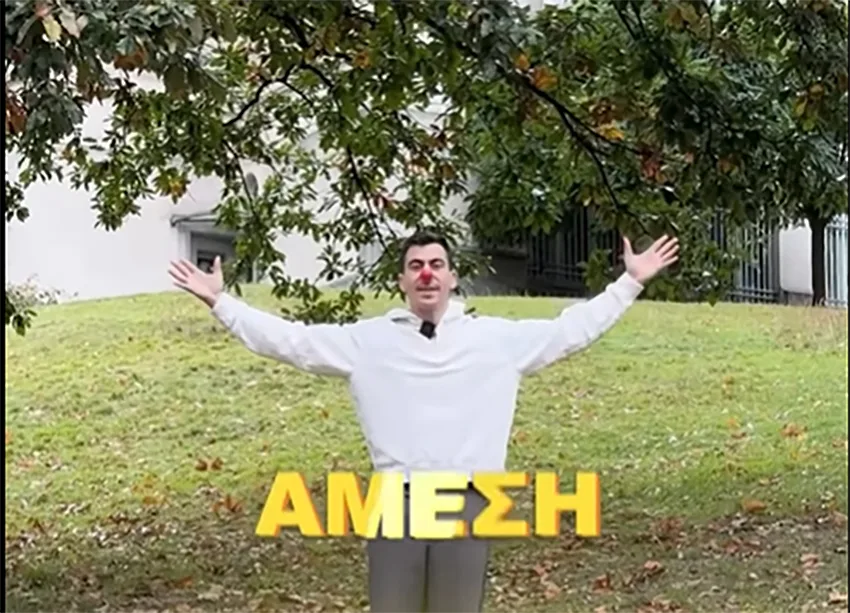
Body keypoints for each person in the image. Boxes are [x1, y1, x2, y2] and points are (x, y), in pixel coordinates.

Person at [167, 229, 679, 613]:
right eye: (416, 266)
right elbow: (291, 341)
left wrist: (629, 282)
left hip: (471, 499)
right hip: (396, 501)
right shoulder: (367, 341)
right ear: (402, 281)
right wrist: (221, 302)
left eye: (436, 264)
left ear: (453, 278)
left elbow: (572, 330)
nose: (426, 274)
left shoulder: (496, 339)